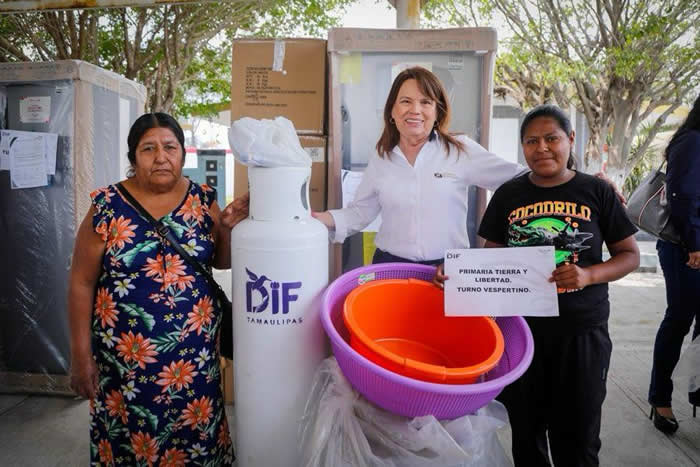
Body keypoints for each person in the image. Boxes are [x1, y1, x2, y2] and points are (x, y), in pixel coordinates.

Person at [436, 105, 639, 466]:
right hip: (521, 335)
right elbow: (492, 260)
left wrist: (589, 275)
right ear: (523, 147)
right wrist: (457, 275)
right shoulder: (509, 194)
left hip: (581, 333)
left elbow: (629, 255)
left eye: (551, 138)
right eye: (531, 141)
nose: (542, 148)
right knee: (526, 434)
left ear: (569, 140)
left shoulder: (596, 191)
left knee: (577, 439)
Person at [67, 113, 248, 466]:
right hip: (124, 368)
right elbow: (81, 283)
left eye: (170, 147)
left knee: (196, 440)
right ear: (133, 157)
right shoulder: (107, 205)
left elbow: (221, 262)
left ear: (182, 153)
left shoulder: (201, 200)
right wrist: (80, 356)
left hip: (194, 362)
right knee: (133, 443)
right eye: (148, 148)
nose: (161, 157)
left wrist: (226, 229)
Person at [312, 66, 527, 265]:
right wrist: (320, 219)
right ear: (392, 111)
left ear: (437, 112)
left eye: (425, 102)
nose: (415, 110)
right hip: (390, 266)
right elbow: (360, 213)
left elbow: (519, 180)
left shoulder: (459, 150)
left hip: (446, 271)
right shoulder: (382, 156)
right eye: (406, 101)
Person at [648, 94, 700, 434]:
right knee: (679, 320)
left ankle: (697, 391)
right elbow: (683, 195)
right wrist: (694, 244)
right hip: (686, 248)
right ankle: (660, 398)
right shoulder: (692, 141)